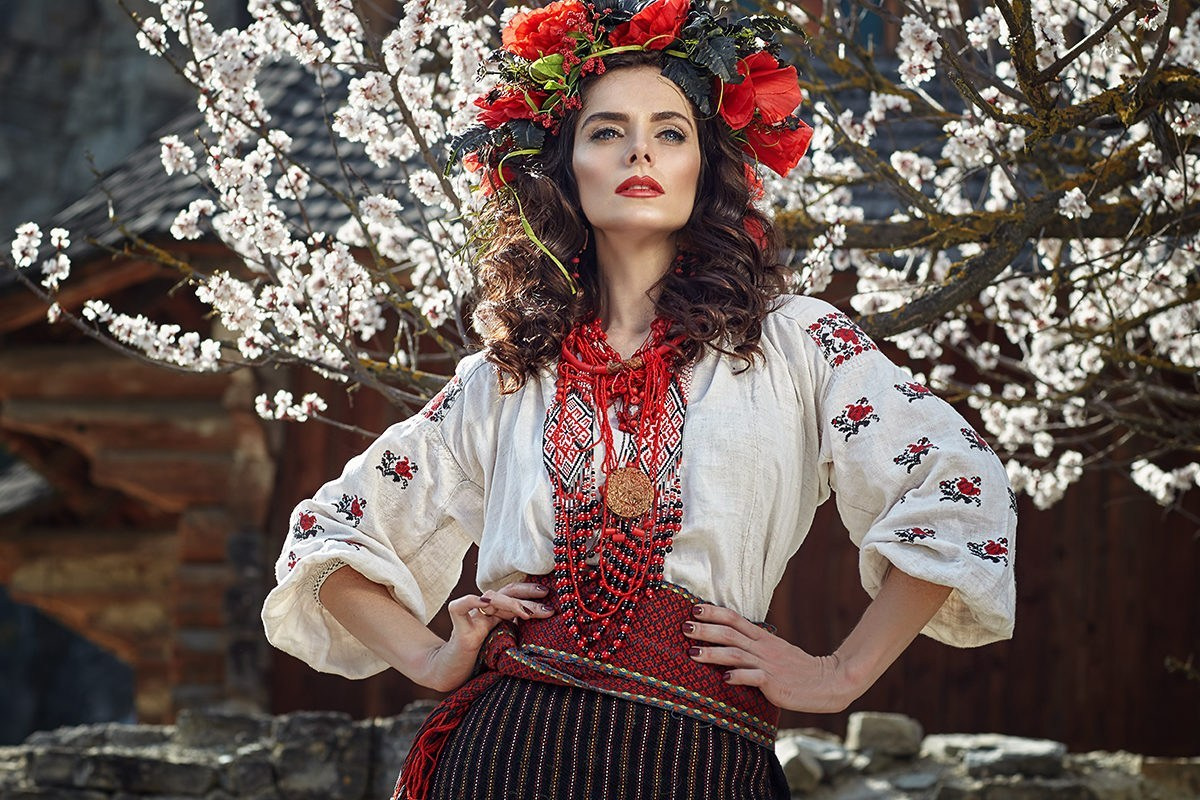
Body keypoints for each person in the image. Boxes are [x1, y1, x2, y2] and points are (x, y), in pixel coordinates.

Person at [262, 1, 1017, 798]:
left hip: (703, 759)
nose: (638, 152)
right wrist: (429, 655)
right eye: (605, 131)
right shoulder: (506, 375)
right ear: (564, 168)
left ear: (705, 164)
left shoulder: (796, 344)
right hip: (501, 758)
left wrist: (841, 673)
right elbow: (329, 534)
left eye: (669, 131)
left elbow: (954, 480)